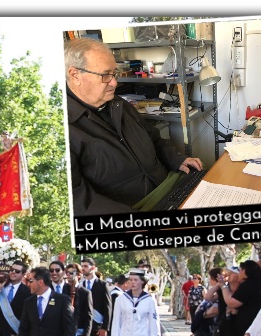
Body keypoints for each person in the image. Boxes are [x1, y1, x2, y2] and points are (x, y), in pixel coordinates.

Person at [65, 38, 202, 215]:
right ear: (75, 75)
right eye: (105, 75)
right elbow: (78, 200)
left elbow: (153, 138)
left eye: (114, 73)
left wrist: (176, 159)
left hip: (166, 186)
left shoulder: (118, 104)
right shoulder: (64, 128)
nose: (114, 83)